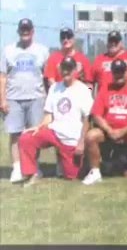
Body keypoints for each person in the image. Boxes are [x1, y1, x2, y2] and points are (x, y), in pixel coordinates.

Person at [18, 56, 93, 186]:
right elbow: (49, 115)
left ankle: (82, 161)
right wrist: (39, 127)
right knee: (26, 138)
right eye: (64, 69)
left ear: (75, 70)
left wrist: (81, 143)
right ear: (60, 70)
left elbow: (87, 119)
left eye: (69, 69)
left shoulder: (84, 90)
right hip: (54, 132)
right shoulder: (54, 88)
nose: (66, 72)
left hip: (71, 138)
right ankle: (33, 173)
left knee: (72, 176)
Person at [82, 59, 127, 185]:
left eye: (121, 71)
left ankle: (119, 164)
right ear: (112, 73)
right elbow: (96, 114)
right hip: (109, 135)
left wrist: (123, 132)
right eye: (116, 72)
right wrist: (110, 131)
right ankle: (95, 172)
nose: (118, 75)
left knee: (125, 174)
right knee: (91, 135)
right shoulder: (105, 88)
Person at [0, 18, 49, 183]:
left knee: (34, 135)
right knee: (15, 134)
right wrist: (2, 100)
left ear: (33, 31)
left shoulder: (42, 50)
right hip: (14, 98)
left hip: (36, 97)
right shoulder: (8, 50)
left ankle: (34, 167)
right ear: (19, 31)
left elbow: (47, 78)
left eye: (28, 29)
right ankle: (16, 167)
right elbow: (2, 77)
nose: (25, 32)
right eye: (22, 29)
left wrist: (48, 100)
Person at [91, 30, 127, 170]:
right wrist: (90, 98)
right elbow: (90, 82)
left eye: (116, 41)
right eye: (111, 41)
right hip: (106, 103)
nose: (113, 44)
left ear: (121, 43)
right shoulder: (99, 60)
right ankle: (98, 165)